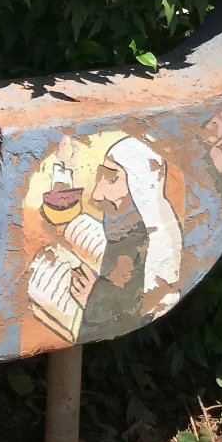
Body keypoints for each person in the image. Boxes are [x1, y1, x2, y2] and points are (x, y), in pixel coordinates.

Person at [67, 136, 183, 338]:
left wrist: (92, 299)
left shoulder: (144, 241)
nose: (97, 194)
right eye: (100, 177)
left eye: (112, 179)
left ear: (139, 185)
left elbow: (134, 310)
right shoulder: (123, 223)